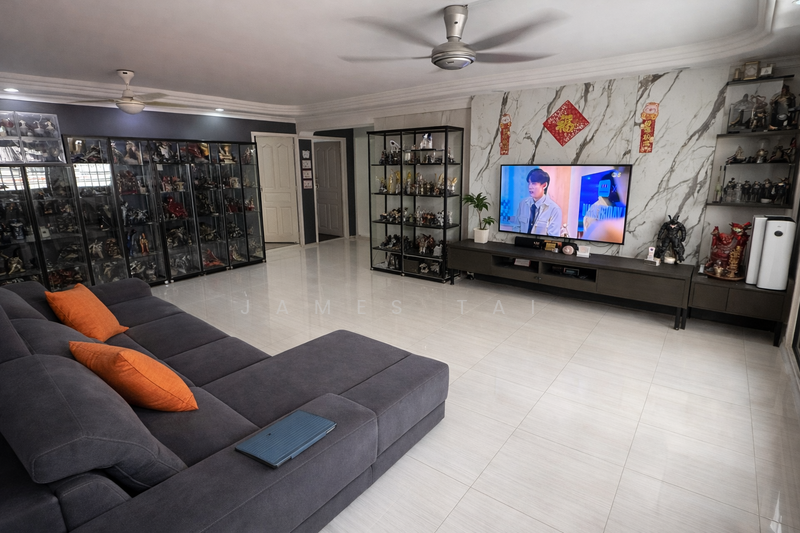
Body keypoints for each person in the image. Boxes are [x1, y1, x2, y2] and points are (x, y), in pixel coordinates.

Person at [515, 168, 562, 236]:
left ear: (544, 185)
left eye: (534, 183)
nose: (530, 187)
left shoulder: (554, 210)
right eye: (529, 183)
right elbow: (516, 228)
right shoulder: (523, 204)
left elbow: (553, 237)